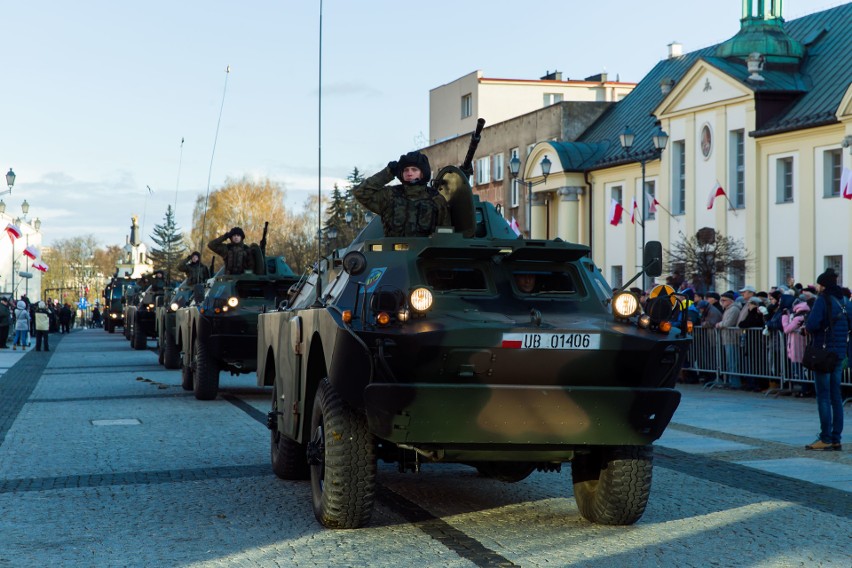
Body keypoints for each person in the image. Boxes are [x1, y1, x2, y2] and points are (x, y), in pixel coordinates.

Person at [352, 151, 450, 237]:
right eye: (406, 170)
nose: (409, 173)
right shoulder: (390, 195)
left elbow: (446, 233)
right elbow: (361, 192)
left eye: (414, 169)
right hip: (393, 254)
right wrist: (387, 173)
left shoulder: (436, 199)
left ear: (423, 173)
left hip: (426, 255)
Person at [803, 268, 849, 451]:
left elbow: (813, 324)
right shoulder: (845, 301)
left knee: (823, 396)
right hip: (839, 353)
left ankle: (826, 437)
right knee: (836, 397)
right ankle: (836, 438)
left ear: (823, 285)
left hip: (824, 353)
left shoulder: (823, 300)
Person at [716, 291, 742, 388]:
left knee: (733, 361)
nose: (721, 302)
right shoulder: (727, 309)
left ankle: (735, 383)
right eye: (721, 300)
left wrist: (719, 324)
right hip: (726, 338)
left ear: (730, 301)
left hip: (732, 339)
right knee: (729, 362)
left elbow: (728, 323)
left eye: (724, 300)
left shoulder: (734, 309)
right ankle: (731, 381)